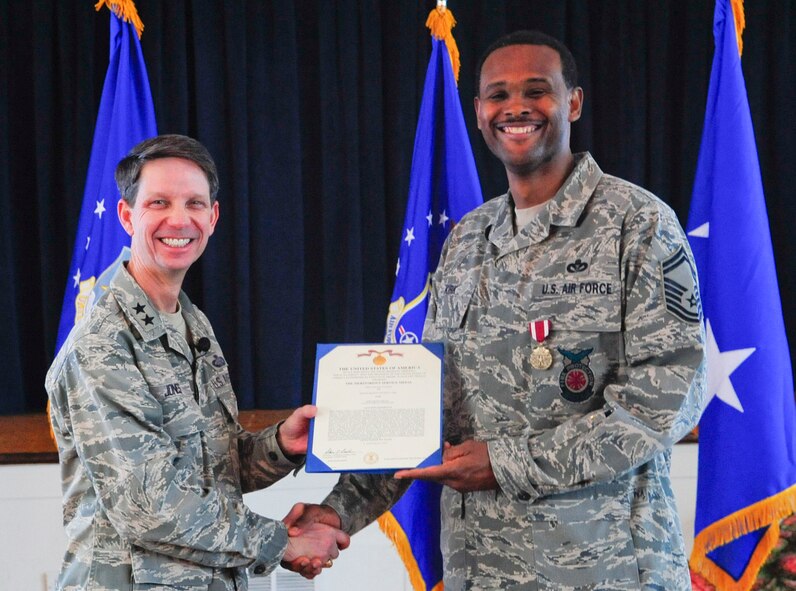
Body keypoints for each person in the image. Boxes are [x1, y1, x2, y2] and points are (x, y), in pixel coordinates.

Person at [283, 30, 706, 590]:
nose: (516, 108)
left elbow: (668, 398)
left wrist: (507, 463)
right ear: (479, 112)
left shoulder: (639, 224)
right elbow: (421, 408)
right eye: (497, 95)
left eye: (537, 90)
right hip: (479, 571)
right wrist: (337, 513)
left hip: (604, 570)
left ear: (573, 102)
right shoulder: (467, 241)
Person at [46, 134, 349, 591]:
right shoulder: (104, 343)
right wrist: (281, 543)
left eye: (194, 203)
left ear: (214, 216)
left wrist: (281, 446)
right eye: (159, 203)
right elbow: (149, 506)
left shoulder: (191, 324)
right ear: (127, 217)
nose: (179, 219)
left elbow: (208, 471)